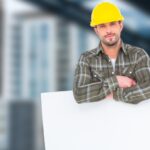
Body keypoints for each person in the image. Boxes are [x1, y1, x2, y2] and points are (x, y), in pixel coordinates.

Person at [73, 2, 150, 104]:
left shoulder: (138, 55)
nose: (108, 30)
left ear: (121, 25)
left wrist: (117, 94)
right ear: (96, 30)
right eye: (102, 26)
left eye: (112, 24)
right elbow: (79, 94)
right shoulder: (86, 59)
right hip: (98, 119)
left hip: (132, 119)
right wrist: (116, 80)